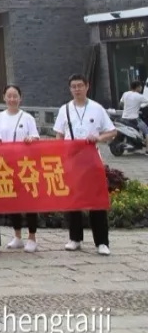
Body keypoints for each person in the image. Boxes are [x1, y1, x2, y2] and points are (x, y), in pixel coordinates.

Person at [53, 73, 116, 255]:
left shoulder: (97, 108)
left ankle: (102, 242)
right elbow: (58, 134)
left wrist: (98, 137)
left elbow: (112, 132)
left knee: (96, 201)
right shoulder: (64, 109)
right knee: (73, 200)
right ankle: (75, 238)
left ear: (87, 86)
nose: (77, 89)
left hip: (92, 161)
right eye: (74, 86)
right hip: (72, 160)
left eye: (80, 86)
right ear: (70, 89)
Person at [0, 84, 42, 252]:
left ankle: (32, 237)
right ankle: (17, 235)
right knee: (13, 200)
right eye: (9, 96)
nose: (12, 99)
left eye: (15, 96)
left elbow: (36, 138)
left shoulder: (27, 118)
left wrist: (30, 139)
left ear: (20, 98)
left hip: (25, 164)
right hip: (6, 165)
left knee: (30, 201)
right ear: (4, 97)